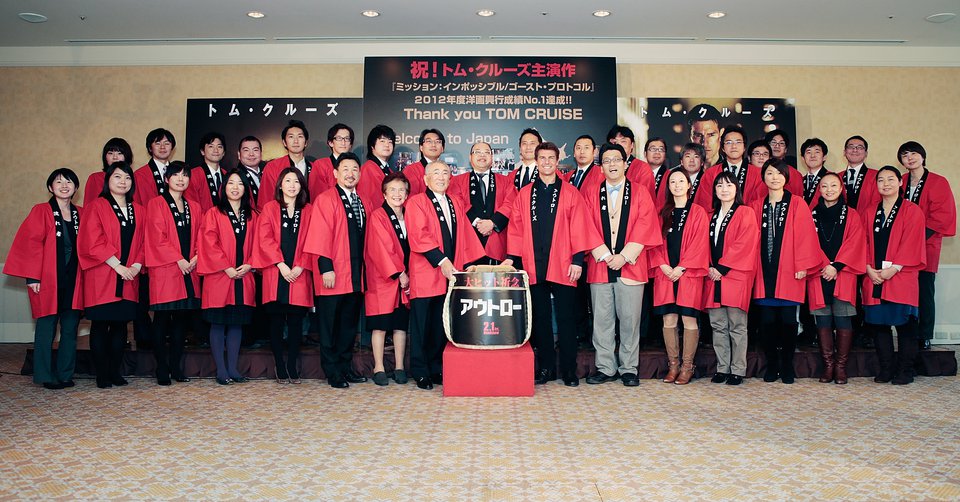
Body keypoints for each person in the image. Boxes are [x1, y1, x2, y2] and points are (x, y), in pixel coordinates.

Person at [506, 142, 600, 387]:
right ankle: (546, 368)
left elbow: (579, 227)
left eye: (551, 158)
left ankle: (569, 370)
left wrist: (578, 261)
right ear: (536, 161)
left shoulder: (570, 192)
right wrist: (514, 259)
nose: (546, 162)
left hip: (564, 264)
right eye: (542, 158)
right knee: (541, 319)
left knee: (567, 319)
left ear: (558, 162)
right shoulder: (525, 193)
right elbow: (516, 229)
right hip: (533, 264)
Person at [583, 144, 661, 387]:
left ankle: (629, 368)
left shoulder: (640, 192)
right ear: (601, 167)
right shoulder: (591, 193)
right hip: (600, 265)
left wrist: (625, 256)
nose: (612, 164)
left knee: (630, 321)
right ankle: (605, 367)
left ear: (626, 163)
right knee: (602, 321)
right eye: (607, 161)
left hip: (631, 266)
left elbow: (646, 225)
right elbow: (585, 225)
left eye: (617, 159)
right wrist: (605, 255)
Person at [406, 160, 485, 389]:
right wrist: (441, 260)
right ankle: (420, 371)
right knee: (421, 325)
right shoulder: (417, 202)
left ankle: (435, 368)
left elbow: (465, 234)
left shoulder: (455, 202)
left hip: (450, 273)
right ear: (426, 179)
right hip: (427, 271)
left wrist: (469, 263)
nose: (441, 177)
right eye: (436, 173)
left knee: (440, 324)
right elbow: (418, 235)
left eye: (445, 173)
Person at [4, 168, 84, 389]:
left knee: (70, 328)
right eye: (58, 182)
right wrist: (32, 277)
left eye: (69, 182)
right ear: (50, 187)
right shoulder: (41, 211)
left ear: (76, 188)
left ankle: (65, 373)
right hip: (48, 279)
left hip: (74, 279)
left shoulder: (81, 213)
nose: (64, 186)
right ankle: (44, 374)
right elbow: (30, 244)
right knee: (46, 328)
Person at [751, 160, 825, 384]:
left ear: (786, 177)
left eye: (779, 173)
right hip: (764, 272)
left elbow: (806, 236)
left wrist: (803, 265)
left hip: (790, 271)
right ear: (763, 177)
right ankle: (772, 364)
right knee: (766, 322)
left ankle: (787, 365)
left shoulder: (797, 203)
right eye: (770, 173)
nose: (774, 177)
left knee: (788, 322)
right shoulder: (756, 205)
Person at [77, 162, 146, 389]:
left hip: (129, 276)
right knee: (100, 325)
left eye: (127, 177)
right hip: (103, 275)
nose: (123, 181)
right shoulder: (96, 206)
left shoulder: (139, 209)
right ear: (108, 180)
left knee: (120, 326)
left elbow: (144, 242)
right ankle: (102, 374)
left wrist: (136, 265)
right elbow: (92, 240)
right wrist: (118, 266)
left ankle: (115, 372)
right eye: (117, 177)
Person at [304, 153, 369, 389]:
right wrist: (326, 268)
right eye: (345, 169)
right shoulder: (326, 199)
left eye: (354, 169)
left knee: (348, 326)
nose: (350, 174)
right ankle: (332, 371)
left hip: (355, 275)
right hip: (334, 273)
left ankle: (344, 367)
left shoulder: (362, 201)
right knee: (329, 327)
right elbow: (319, 235)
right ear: (335, 173)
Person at [862, 165, 926, 385]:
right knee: (879, 326)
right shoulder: (870, 211)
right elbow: (862, 242)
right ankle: (886, 369)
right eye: (881, 180)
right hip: (874, 276)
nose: (885, 184)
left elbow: (912, 242)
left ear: (900, 182)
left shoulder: (912, 210)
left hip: (901, 275)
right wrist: (868, 268)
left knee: (905, 326)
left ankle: (906, 371)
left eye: (891, 179)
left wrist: (894, 268)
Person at [252, 168, 315, 384]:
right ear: (280, 185)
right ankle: (279, 365)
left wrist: (300, 266)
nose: (292, 185)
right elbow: (264, 238)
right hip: (276, 272)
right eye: (287, 181)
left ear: (301, 186)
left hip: (299, 273)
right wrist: (281, 264)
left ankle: (292, 366)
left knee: (296, 323)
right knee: (276, 322)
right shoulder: (270, 208)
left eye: (296, 181)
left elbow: (313, 240)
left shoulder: (308, 210)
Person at [649, 168, 710, 385]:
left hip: (688, 273)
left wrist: (682, 267)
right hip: (665, 272)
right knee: (669, 319)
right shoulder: (661, 213)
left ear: (689, 185)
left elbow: (700, 243)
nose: (677, 185)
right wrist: (663, 265)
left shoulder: (698, 212)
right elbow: (653, 241)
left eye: (681, 181)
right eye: (672, 182)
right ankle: (673, 365)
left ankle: (687, 366)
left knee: (688, 318)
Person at [197, 169, 257, 385]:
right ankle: (221, 370)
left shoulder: (253, 215)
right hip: (220, 277)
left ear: (246, 189)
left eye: (240, 183)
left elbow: (260, 243)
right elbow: (208, 243)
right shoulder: (213, 213)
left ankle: (233, 368)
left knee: (236, 324)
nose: (235, 187)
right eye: (231, 183)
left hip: (244, 276)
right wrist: (226, 267)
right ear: (223, 187)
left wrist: (250, 264)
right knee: (218, 323)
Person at [144, 161, 200, 386]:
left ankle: (176, 367)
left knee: (181, 322)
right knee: (161, 320)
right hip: (166, 270)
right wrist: (179, 259)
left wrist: (195, 257)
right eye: (175, 175)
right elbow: (157, 237)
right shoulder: (156, 204)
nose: (180, 179)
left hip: (189, 270)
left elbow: (201, 236)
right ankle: (161, 368)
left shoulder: (194, 206)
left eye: (185, 175)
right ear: (167, 179)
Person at [807, 172, 866, 384]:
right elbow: (807, 242)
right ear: (819, 189)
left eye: (834, 185)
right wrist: (825, 265)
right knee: (822, 319)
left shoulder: (851, 214)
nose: (829, 190)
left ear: (841, 189)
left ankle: (841, 367)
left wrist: (836, 266)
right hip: (818, 272)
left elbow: (856, 242)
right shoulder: (810, 213)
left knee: (843, 318)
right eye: (824, 186)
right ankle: (828, 366)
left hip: (844, 272)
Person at [898, 141, 956, 350]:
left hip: (926, 244)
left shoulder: (938, 182)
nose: (910, 158)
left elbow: (941, 217)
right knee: (904, 291)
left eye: (914, 153)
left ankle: (924, 335)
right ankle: (908, 333)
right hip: (901, 247)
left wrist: (914, 240)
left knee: (924, 291)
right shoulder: (901, 181)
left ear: (923, 156)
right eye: (905, 155)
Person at [703, 171, 759, 386]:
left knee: (737, 325)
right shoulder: (711, 215)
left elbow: (745, 243)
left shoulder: (745, 212)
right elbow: (703, 244)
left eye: (728, 185)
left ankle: (738, 369)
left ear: (737, 189)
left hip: (735, 274)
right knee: (718, 324)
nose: (724, 189)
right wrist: (710, 267)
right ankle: (722, 367)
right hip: (713, 275)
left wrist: (722, 267)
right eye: (719, 186)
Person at [364, 173, 413, 386]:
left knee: (400, 325)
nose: (397, 194)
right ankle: (379, 367)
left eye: (401, 190)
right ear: (384, 194)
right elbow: (382, 248)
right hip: (383, 278)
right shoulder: (378, 216)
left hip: (406, 278)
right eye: (392, 190)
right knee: (381, 325)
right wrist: (400, 273)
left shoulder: (410, 215)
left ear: (407, 194)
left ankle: (400, 366)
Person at [448, 141, 513, 264]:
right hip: (468, 244)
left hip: (497, 243)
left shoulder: (505, 181)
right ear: (470, 157)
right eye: (477, 152)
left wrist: (492, 223)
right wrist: (478, 223)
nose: (482, 155)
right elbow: (457, 204)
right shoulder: (457, 181)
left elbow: (510, 204)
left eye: (486, 152)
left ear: (492, 157)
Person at [259, 120, 322, 210]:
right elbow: (265, 199)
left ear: (306, 142)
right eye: (291, 137)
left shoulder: (315, 168)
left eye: (300, 136)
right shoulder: (273, 167)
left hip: (310, 215)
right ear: (284, 142)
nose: (296, 141)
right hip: (280, 216)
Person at [699, 126, 766, 206]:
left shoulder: (758, 174)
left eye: (738, 142)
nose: (734, 146)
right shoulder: (710, 173)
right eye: (729, 142)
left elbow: (759, 203)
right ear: (722, 148)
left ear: (744, 147)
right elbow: (704, 203)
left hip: (748, 213)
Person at [84, 138, 133, 212]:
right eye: (110, 153)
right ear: (105, 157)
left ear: (127, 156)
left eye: (119, 153)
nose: (115, 157)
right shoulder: (95, 178)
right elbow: (88, 208)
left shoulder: (134, 178)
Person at [606, 125, 655, 197]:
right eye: (614, 142)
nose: (618, 145)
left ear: (632, 145)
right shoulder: (604, 167)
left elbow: (645, 196)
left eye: (623, 141)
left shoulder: (642, 168)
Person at [186, 132, 227, 214]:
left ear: (223, 153)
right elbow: (192, 206)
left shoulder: (227, 175)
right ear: (202, 151)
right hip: (203, 220)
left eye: (219, 147)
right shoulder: (193, 175)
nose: (216, 150)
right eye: (211, 146)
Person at [357, 124, 397, 206]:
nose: (387, 145)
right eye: (382, 141)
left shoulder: (389, 170)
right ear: (372, 146)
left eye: (390, 142)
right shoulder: (368, 169)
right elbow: (368, 200)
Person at [133, 128, 176, 206]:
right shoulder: (139, 175)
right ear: (150, 148)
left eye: (167, 143)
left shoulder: (178, 173)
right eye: (158, 143)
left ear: (172, 147)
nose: (162, 147)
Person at [312, 123, 356, 196]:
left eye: (347, 139)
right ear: (330, 143)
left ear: (351, 144)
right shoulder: (320, 165)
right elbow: (318, 195)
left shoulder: (355, 166)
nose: (343, 143)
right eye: (339, 138)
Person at [840, 135, 879, 212]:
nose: (855, 150)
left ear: (866, 153)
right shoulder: (837, 177)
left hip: (866, 218)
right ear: (844, 152)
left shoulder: (876, 176)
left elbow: (876, 203)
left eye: (860, 147)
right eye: (851, 147)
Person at [402, 128, 444, 196]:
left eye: (437, 141)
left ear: (442, 148)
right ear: (421, 147)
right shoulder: (411, 170)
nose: (433, 145)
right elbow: (410, 198)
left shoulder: (446, 171)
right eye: (429, 141)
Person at [686, 103, 723, 168]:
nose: (705, 143)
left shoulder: (734, 171)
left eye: (711, 135)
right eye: (698, 135)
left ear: (721, 133)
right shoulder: (677, 173)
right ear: (690, 136)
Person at [505, 128, 542, 193]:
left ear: (540, 147)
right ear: (520, 148)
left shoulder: (550, 173)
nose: (528, 147)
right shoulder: (511, 176)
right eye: (524, 143)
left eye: (532, 143)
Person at [799, 138, 830, 207]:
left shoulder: (832, 178)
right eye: (808, 152)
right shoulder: (800, 180)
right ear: (803, 158)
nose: (812, 156)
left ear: (824, 157)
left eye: (817, 152)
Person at [236, 135, 265, 205]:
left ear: (261, 154)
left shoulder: (268, 172)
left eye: (255, 150)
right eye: (246, 150)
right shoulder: (235, 176)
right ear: (239, 155)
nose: (251, 154)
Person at [645, 137, 671, 209]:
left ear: (665, 155)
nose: (657, 152)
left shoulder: (670, 176)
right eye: (653, 149)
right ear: (645, 154)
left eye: (661, 149)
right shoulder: (638, 175)